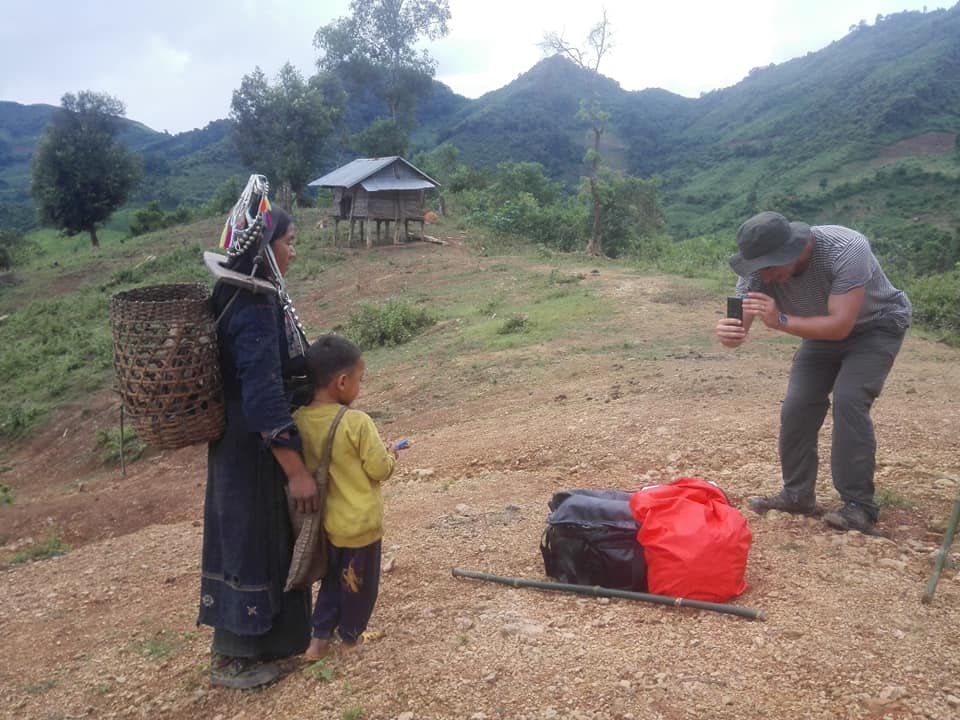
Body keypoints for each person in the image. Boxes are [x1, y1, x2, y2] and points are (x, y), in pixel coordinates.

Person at [715, 211, 911, 534]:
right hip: (819, 333)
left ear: (793, 249)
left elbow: (840, 325)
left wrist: (780, 321)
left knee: (849, 399)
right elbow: (737, 330)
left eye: (770, 266)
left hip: (876, 327)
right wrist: (729, 334)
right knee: (798, 405)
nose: (764, 276)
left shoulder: (846, 248)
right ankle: (798, 495)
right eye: (757, 268)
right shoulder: (758, 273)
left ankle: (859, 506)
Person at [200, 175, 318, 689]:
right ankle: (234, 657)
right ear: (265, 249)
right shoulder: (253, 304)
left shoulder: (234, 290)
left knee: (255, 539)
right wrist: (296, 471)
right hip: (253, 447)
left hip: (240, 443)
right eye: (289, 242)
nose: (294, 251)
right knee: (249, 541)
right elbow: (264, 394)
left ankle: (267, 643)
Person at [293, 334, 398, 660]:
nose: (360, 386)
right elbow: (379, 469)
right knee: (359, 586)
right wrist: (392, 455)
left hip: (327, 525)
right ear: (341, 381)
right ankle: (351, 639)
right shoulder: (357, 422)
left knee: (332, 581)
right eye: (359, 380)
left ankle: (318, 642)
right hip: (360, 525)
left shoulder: (298, 420)